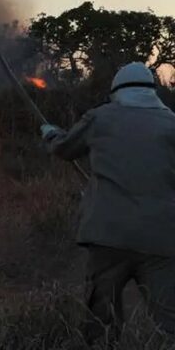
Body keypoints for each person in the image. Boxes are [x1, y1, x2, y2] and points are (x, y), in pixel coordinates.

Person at [41, 62, 175, 341]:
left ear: (117, 91)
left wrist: (50, 134)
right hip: (161, 238)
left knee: (101, 321)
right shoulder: (171, 123)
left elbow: (65, 149)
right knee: (169, 319)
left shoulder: (100, 118)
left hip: (108, 235)